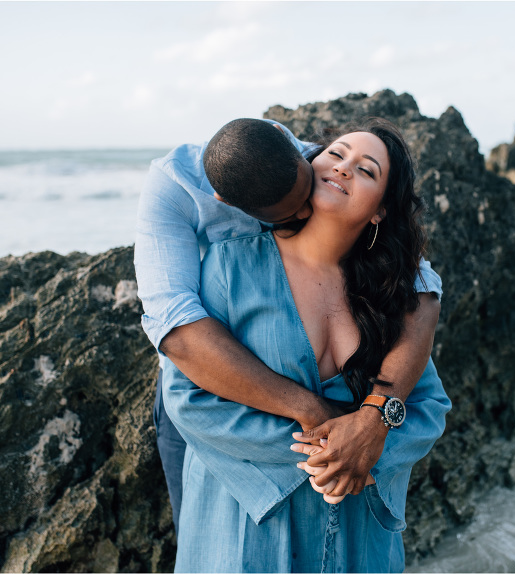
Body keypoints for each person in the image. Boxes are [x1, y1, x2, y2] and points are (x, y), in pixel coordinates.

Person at [163, 118, 450, 572]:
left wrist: (370, 449)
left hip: (359, 524)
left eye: (368, 170)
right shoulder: (229, 266)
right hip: (247, 526)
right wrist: (327, 457)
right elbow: (186, 396)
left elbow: (428, 404)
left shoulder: (392, 293)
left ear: (379, 211)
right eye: (335, 154)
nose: (344, 167)